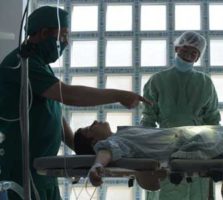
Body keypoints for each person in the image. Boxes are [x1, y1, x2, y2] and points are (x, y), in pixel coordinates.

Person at [0, 6, 151, 200]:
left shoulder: (39, 64)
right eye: (63, 36)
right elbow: (68, 95)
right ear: (44, 33)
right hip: (22, 169)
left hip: (42, 170)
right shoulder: (21, 63)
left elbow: (52, 112)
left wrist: (79, 148)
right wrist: (118, 95)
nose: (67, 43)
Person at [73, 121, 223, 189]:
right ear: (93, 142)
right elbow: (106, 152)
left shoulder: (124, 133)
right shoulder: (114, 141)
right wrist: (96, 166)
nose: (94, 122)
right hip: (202, 145)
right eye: (88, 128)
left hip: (204, 140)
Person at [140, 31, 220, 199]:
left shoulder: (205, 83)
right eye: (185, 50)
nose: (188, 55)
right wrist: (146, 148)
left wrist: (214, 147)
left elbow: (213, 119)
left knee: (196, 190)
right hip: (165, 147)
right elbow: (148, 120)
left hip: (197, 148)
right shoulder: (157, 81)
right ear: (176, 49)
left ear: (198, 58)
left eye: (194, 53)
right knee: (166, 188)